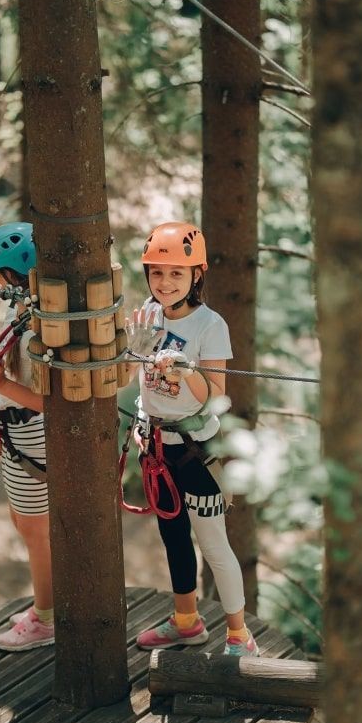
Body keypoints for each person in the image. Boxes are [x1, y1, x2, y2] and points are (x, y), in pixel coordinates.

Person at [127, 221, 259, 657]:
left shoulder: (210, 325)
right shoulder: (147, 314)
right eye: (157, 273)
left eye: (176, 274)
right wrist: (135, 351)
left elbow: (217, 396)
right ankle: (186, 622)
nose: (164, 283)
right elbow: (132, 378)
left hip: (195, 450)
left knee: (213, 544)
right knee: (174, 537)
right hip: (157, 446)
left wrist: (187, 370)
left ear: (196, 275)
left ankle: (239, 635)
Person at [0, 221, 54, 652]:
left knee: (36, 530)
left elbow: (51, 401)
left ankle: (46, 618)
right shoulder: (19, 316)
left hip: (33, 434)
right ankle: (47, 605)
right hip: (15, 429)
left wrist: (1, 388)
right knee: (24, 524)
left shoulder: (39, 329)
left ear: (16, 277)